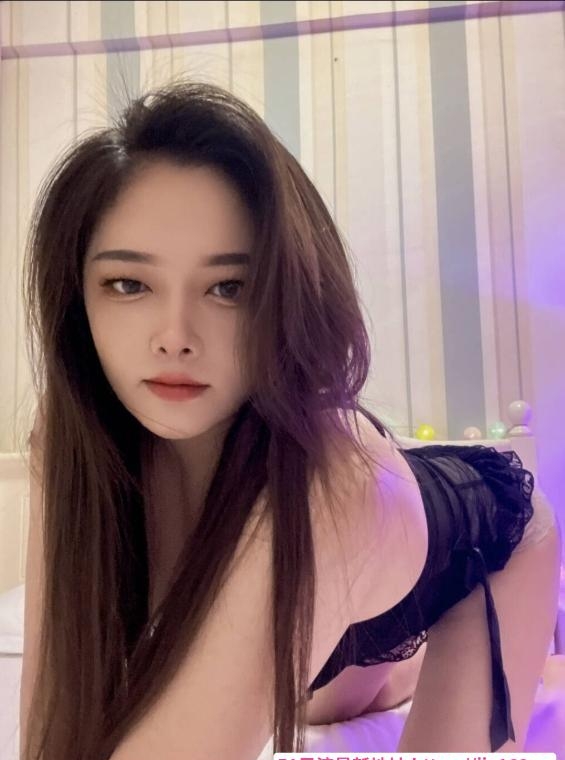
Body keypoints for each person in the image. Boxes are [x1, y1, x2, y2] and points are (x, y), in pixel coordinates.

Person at [19, 77, 561, 760]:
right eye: (129, 284)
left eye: (229, 288)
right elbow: (52, 722)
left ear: (287, 296)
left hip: (489, 552)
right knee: (329, 690)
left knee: (360, 657)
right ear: (77, 298)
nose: (174, 336)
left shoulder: (331, 484)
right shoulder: (71, 438)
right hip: (354, 572)